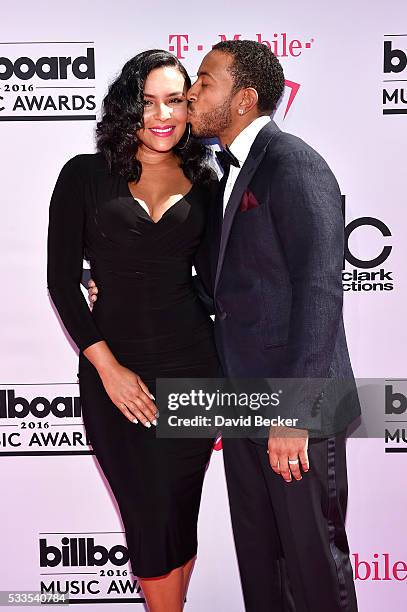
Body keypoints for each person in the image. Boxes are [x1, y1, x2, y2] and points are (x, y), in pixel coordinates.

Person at [89, 40, 362, 611]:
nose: (191, 95)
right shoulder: (221, 173)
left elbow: (319, 288)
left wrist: (294, 410)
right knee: (264, 572)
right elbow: (218, 287)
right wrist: (121, 289)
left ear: (243, 99)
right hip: (240, 404)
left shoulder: (293, 162)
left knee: (314, 569)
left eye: (204, 83)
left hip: (294, 407)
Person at [47, 49, 220, 612]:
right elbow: (59, 281)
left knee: (178, 512)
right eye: (147, 102)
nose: (162, 115)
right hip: (113, 374)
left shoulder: (207, 177)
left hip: (194, 366)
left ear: (192, 107)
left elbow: (219, 279)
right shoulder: (84, 175)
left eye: (175, 100)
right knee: (148, 515)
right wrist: (109, 367)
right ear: (128, 107)